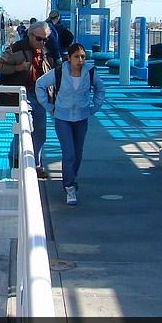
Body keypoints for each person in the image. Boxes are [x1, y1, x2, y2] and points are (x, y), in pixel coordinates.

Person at [35, 42, 105, 206]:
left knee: (78, 154)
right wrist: (48, 106)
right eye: (76, 57)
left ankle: (71, 177)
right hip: (62, 118)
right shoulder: (59, 73)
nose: (80, 60)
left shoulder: (90, 72)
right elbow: (39, 84)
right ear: (69, 58)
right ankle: (70, 187)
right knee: (69, 154)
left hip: (81, 119)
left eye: (82, 57)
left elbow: (100, 89)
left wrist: (95, 107)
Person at [0, 21, 56, 178]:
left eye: (45, 39)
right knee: (25, 128)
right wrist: (17, 68)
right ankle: (17, 161)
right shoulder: (16, 48)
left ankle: (35, 164)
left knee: (40, 131)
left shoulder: (46, 51)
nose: (42, 42)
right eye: (39, 39)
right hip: (22, 94)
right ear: (30, 36)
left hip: (41, 95)